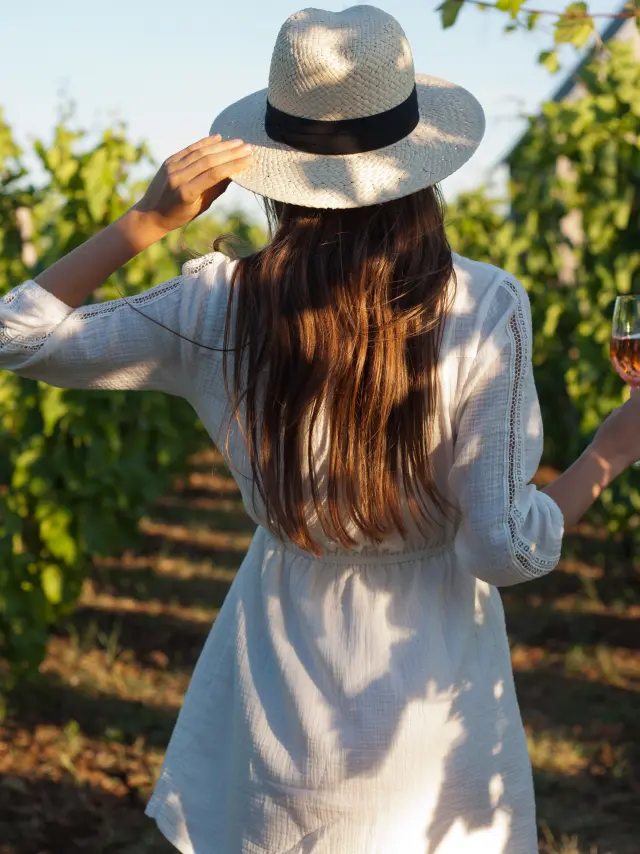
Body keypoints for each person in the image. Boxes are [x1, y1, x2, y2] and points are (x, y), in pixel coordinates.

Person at [0, 6, 638, 854]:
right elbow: (504, 550)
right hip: (430, 688)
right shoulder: (486, 308)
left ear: (271, 165)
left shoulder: (215, 304)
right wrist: (608, 451)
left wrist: (144, 222)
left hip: (278, 676)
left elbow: (19, 335)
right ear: (421, 164)